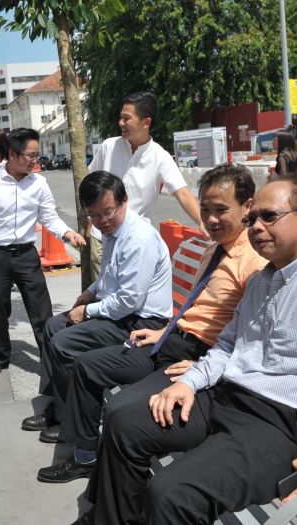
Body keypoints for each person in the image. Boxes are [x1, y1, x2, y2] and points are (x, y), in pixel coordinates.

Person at [77, 175, 297, 525]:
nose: (256, 227)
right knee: (124, 423)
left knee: (171, 494)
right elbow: (230, 344)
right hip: (229, 396)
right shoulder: (263, 281)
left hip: (282, 424)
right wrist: (190, 383)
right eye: (252, 219)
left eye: (269, 217)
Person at [36, 164, 267, 483]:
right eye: (205, 209)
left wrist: (203, 365)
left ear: (248, 207)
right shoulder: (215, 248)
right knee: (86, 365)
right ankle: (84, 453)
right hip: (169, 336)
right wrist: (164, 330)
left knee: (118, 410)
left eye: (221, 210)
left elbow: (250, 341)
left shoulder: (255, 264)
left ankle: (86, 454)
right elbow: (195, 307)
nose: (210, 219)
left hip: (191, 353)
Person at [22, 171, 173, 443]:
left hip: (141, 324)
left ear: (124, 201)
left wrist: (88, 311)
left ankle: (71, 417)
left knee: (63, 343)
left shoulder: (137, 238)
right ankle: (58, 404)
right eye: (94, 215)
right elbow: (108, 277)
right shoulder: (114, 232)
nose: (102, 221)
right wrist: (89, 294)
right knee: (53, 327)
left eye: (108, 212)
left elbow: (129, 301)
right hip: (121, 315)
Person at [0, 128, 87, 378]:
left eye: (37, 155)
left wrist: (68, 234)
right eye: (30, 155)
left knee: (41, 309)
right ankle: (1, 354)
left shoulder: (39, 184)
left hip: (26, 254)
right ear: (13, 154)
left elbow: (49, 217)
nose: (35, 161)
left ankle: (50, 356)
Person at [87, 91, 205, 283]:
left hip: (135, 243)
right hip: (101, 238)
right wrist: (88, 220)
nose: (121, 123)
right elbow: (90, 182)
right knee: (103, 293)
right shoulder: (109, 147)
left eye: (127, 119)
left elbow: (182, 193)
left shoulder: (160, 157)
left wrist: (203, 222)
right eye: (120, 118)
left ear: (146, 122)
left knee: (129, 296)